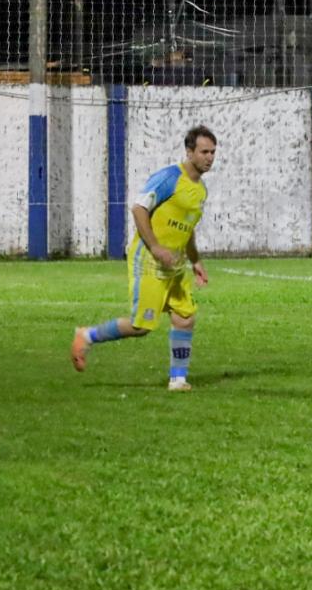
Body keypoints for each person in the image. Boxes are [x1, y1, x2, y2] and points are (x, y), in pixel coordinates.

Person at [69, 126, 217, 391]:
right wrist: (156, 247)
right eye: (204, 151)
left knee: (185, 316)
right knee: (141, 326)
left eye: (213, 152)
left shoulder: (201, 190)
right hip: (149, 260)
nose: (210, 157)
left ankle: (178, 380)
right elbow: (139, 209)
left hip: (175, 264)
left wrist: (195, 260)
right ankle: (86, 335)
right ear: (189, 152)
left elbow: (187, 229)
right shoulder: (169, 178)